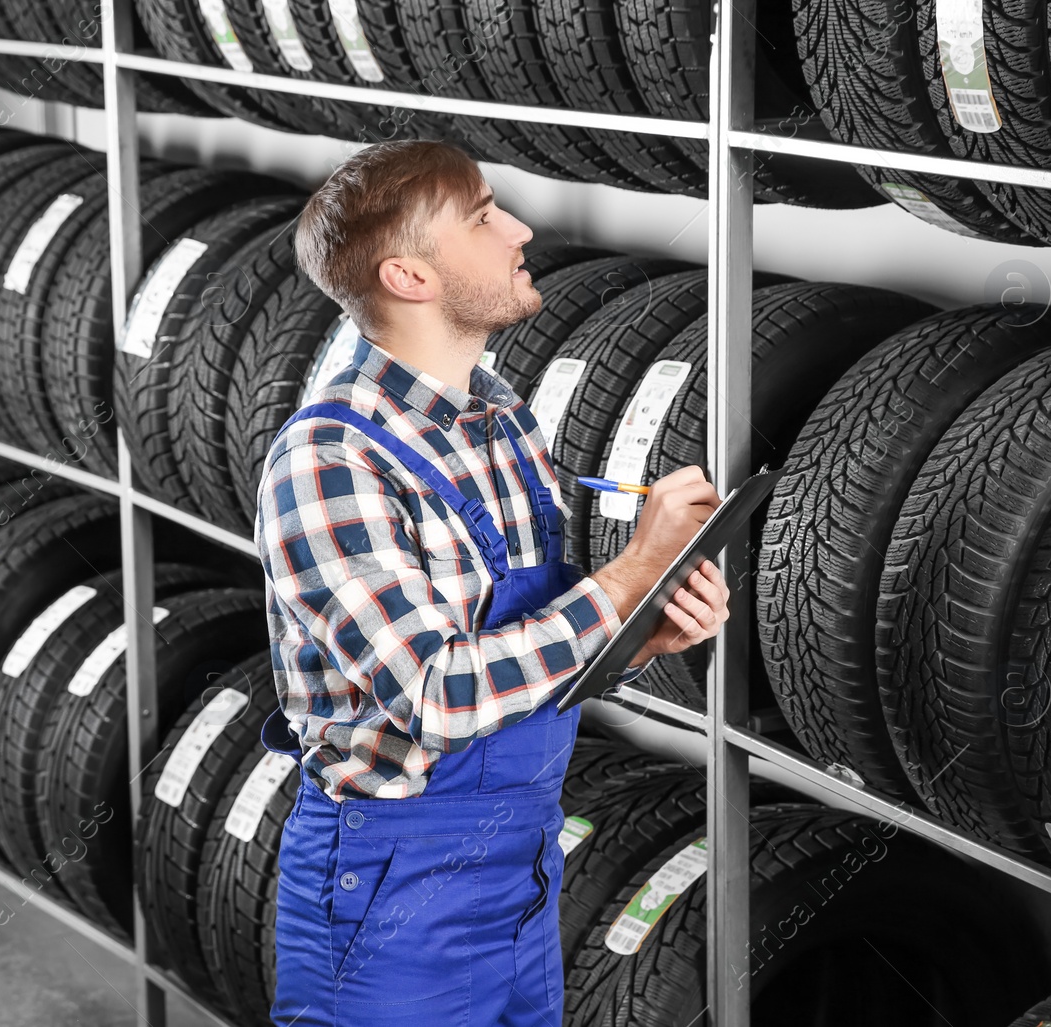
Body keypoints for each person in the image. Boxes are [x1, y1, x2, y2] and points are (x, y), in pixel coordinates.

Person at [253, 140, 730, 1027]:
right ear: (408, 275)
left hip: (521, 869)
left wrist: (635, 638)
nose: (521, 228)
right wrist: (628, 576)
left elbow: (517, 651)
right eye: (481, 217)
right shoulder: (327, 461)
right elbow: (437, 695)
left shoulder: (500, 418)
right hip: (391, 892)